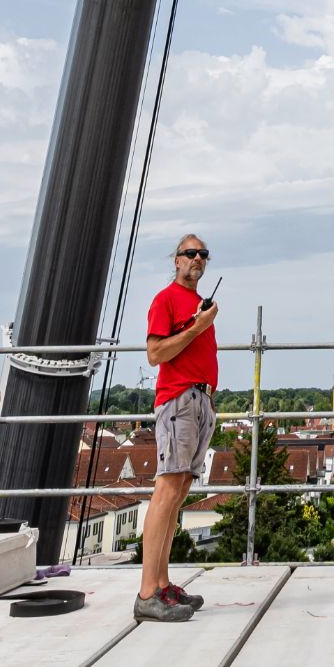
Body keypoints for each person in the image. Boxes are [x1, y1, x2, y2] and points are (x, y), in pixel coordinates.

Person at [134, 232, 218, 624]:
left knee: (180, 489)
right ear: (177, 260)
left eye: (203, 254)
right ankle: (147, 592)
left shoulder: (197, 305)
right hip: (179, 399)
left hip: (200, 400)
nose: (197, 258)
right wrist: (197, 327)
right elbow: (155, 354)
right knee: (167, 489)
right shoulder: (165, 300)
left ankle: (163, 585)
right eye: (190, 253)